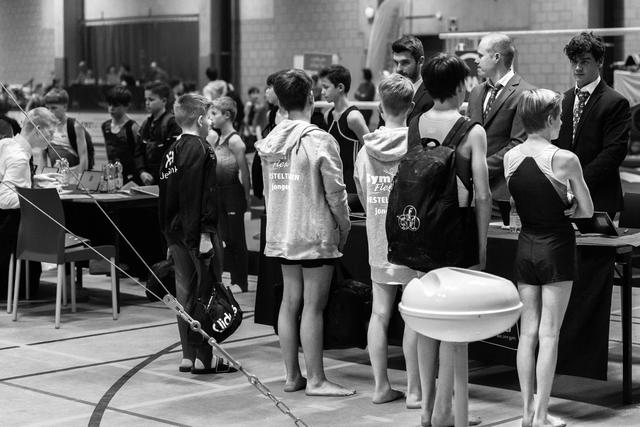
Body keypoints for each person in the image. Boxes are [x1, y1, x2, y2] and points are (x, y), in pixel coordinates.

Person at [255, 69, 354, 397]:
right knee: (312, 306)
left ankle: (292, 376)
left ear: (280, 103)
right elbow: (336, 194)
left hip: (283, 231)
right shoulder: (319, 140)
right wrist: (345, 225)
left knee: (289, 301)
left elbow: (269, 192)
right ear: (311, 98)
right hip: (313, 233)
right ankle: (316, 380)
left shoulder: (270, 142)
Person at [505, 89, 594, 427]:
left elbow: (515, 202)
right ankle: (541, 415)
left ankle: (526, 412)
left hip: (526, 247)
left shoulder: (511, 157)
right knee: (549, 334)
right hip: (555, 248)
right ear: (549, 118)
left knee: (526, 334)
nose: (561, 121)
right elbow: (585, 210)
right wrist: (569, 198)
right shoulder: (565, 158)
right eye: (559, 116)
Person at [415, 54, 491, 427]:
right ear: (461, 86)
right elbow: (483, 195)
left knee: (428, 322)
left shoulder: (416, 123)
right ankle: (445, 411)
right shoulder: (470, 129)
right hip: (454, 230)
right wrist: (482, 246)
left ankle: (428, 409)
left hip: (418, 230)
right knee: (452, 327)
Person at [353, 74, 421, 407]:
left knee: (379, 314)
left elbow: (364, 197)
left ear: (380, 106)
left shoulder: (365, 151)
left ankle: (381, 386)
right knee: (412, 315)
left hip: (379, 240)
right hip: (412, 240)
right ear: (411, 107)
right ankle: (414, 391)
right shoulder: (417, 146)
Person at [158, 93, 234, 374]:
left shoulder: (169, 152)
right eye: (210, 116)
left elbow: (165, 197)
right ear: (201, 119)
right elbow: (206, 196)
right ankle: (204, 358)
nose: (211, 121)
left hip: (175, 233)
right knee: (208, 293)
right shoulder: (203, 149)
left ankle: (187, 355)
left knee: (185, 295)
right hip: (199, 233)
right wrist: (206, 234)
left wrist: (168, 234)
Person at [553, 32, 630, 219]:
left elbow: (614, 152)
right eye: (574, 61)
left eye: (585, 61)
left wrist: (577, 185)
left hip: (599, 198)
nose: (578, 68)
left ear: (600, 61)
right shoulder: (562, 100)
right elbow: (554, 146)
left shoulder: (615, 102)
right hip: (563, 198)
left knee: (593, 249)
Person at [467, 33, 535, 217]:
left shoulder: (525, 93)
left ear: (497, 57)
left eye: (480, 55)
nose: (476, 60)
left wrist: (479, 169)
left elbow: (518, 144)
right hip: (468, 191)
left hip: (501, 192)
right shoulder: (475, 92)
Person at [0, 107, 61, 299]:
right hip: (7, 228)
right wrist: (38, 195)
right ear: (37, 129)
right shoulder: (19, 157)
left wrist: (36, 181)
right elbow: (6, 199)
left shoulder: (7, 144)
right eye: (50, 132)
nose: (52, 138)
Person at [209, 96, 251, 293]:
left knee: (236, 240)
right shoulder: (217, 138)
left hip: (233, 193)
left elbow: (244, 172)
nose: (211, 118)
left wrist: (246, 198)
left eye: (214, 114)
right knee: (224, 237)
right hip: (219, 193)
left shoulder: (235, 141)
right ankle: (227, 277)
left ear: (227, 116)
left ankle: (241, 282)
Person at [319, 64, 369, 209]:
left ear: (340, 87)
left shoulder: (353, 117)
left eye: (325, 87)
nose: (322, 92)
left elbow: (370, 150)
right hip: (334, 183)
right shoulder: (328, 114)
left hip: (353, 188)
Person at [135, 81, 181, 185]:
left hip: (166, 181)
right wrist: (142, 172)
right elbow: (138, 152)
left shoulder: (172, 124)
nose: (147, 103)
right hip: (145, 179)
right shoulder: (146, 124)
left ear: (164, 101)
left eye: (151, 99)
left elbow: (173, 156)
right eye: (145, 99)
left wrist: (156, 176)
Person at [43, 88, 89, 174]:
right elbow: (42, 157)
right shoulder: (45, 128)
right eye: (47, 108)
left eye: (54, 108)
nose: (50, 112)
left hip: (73, 179)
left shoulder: (75, 126)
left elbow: (84, 161)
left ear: (65, 107)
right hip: (55, 180)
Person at [391, 35, 434, 125]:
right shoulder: (389, 93)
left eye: (405, 62)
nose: (398, 69)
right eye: (396, 63)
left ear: (420, 61)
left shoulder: (432, 95)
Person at [101, 86, 140, 184]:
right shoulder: (105, 126)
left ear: (126, 106)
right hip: (112, 176)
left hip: (132, 177)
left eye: (116, 105)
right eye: (109, 104)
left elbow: (140, 154)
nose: (111, 108)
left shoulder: (133, 127)